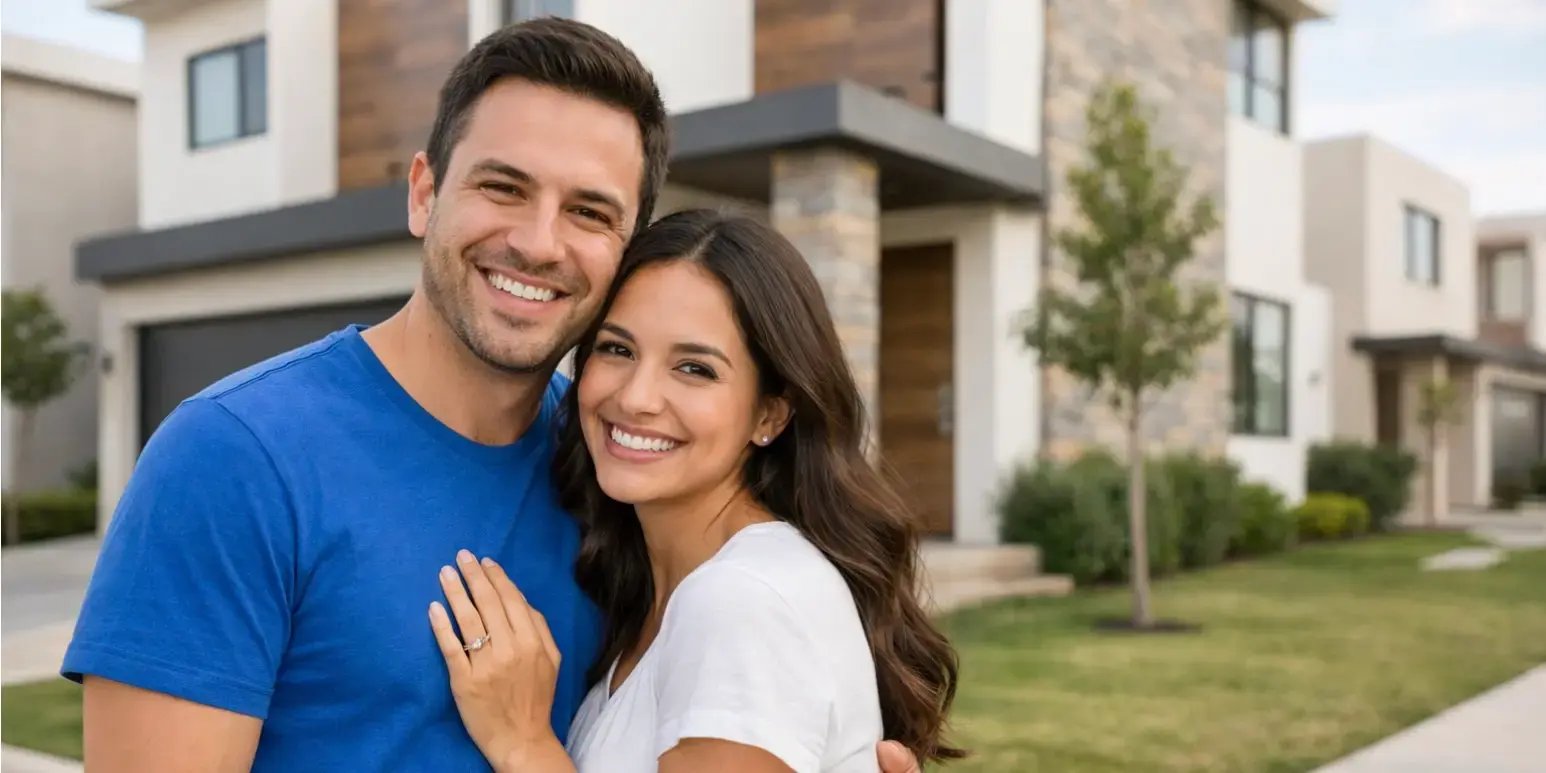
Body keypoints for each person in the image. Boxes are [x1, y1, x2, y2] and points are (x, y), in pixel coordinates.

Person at [62, 17, 923, 773]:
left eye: (589, 211)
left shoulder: (610, 469)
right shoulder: (233, 457)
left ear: (624, 249)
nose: (537, 242)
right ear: (424, 191)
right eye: (502, 186)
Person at [423, 210, 965, 772]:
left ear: (770, 415)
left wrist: (523, 744)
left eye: (694, 368)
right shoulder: (670, 596)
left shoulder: (742, 601)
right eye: (618, 349)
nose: (636, 398)